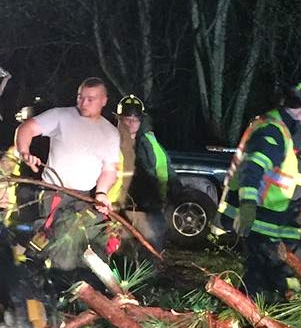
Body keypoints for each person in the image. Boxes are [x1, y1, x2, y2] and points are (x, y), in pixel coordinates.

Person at [211, 79, 301, 300]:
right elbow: (253, 169)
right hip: (262, 220)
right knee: (263, 275)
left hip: (282, 219)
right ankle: (258, 316)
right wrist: (247, 205)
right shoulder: (273, 131)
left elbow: (293, 175)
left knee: (290, 270)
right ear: (297, 107)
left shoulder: (289, 132)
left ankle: (286, 312)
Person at [14, 77, 120, 277]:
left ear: (104, 101)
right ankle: (44, 281)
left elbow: (109, 169)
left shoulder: (110, 133)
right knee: (55, 242)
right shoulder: (61, 116)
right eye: (80, 97)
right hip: (54, 193)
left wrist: (102, 193)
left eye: (90, 99)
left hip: (85, 198)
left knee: (88, 242)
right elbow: (26, 129)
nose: (83, 103)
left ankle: (84, 288)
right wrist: (24, 152)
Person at [109, 94, 179, 253]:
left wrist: (167, 194)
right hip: (119, 210)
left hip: (148, 209)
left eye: (135, 119)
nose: (131, 123)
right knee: (120, 254)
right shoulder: (108, 140)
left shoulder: (149, 142)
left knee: (150, 252)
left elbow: (163, 168)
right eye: (126, 118)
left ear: (141, 121)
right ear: (119, 119)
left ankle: (148, 277)